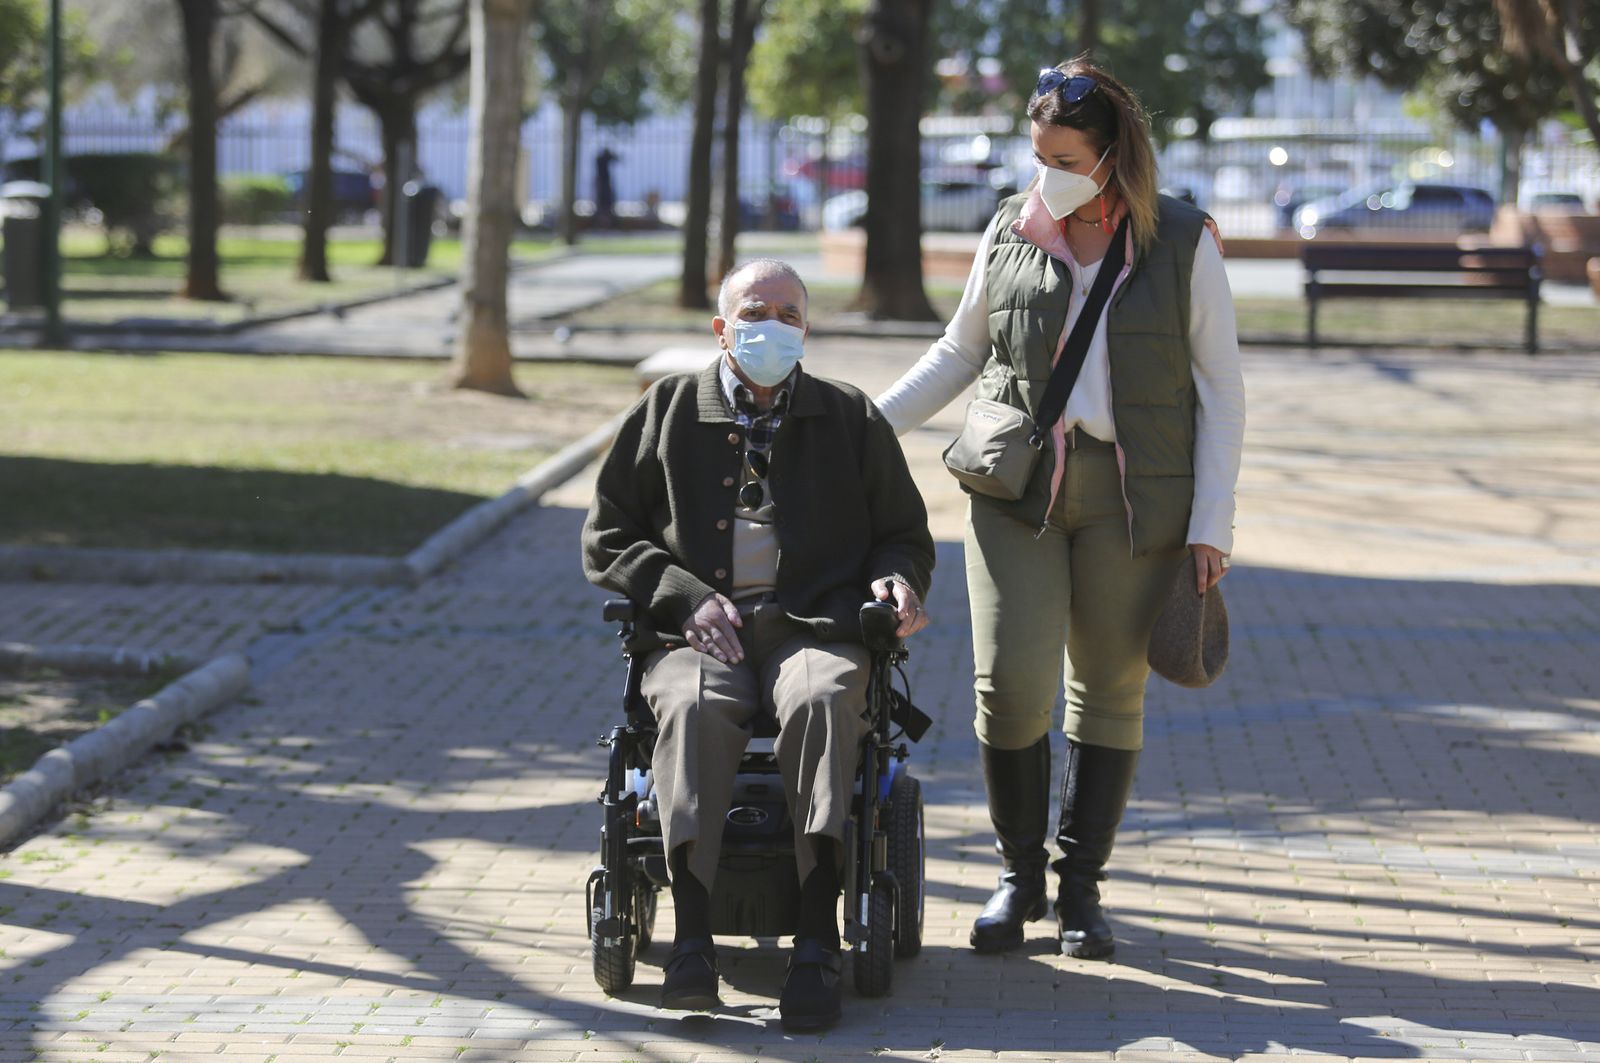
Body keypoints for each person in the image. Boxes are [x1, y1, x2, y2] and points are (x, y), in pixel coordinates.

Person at [872, 56, 1246, 961]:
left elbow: (1223, 393)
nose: (1048, 173)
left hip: (1134, 500)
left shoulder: (1185, 241)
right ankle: (1018, 877)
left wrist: (1211, 527)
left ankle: (1081, 889)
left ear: (1113, 156)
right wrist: (864, 427)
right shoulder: (1011, 227)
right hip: (1015, 492)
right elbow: (960, 353)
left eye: (1066, 157)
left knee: (1110, 691)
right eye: (1038, 153)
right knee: (1008, 689)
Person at [582, 258, 935, 1029]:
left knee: (821, 696)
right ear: (722, 326)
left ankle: (816, 934)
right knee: (693, 703)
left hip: (816, 625)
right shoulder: (666, 409)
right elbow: (607, 537)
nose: (769, 325)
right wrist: (684, 595)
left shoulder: (850, 417)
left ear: (806, 329)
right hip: (699, 631)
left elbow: (903, 537)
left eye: (788, 313)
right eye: (754, 310)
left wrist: (899, 582)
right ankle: (693, 936)